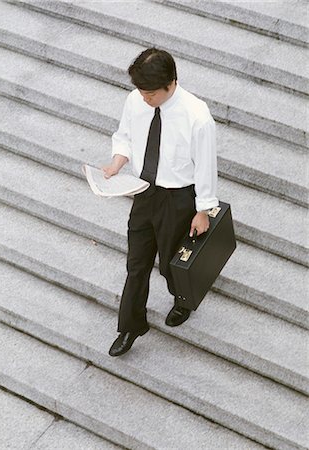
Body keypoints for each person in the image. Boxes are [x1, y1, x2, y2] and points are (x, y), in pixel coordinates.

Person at [103, 48, 219, 357]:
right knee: (136, 264)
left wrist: (203, 210)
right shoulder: (136, 100)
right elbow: (125, 135)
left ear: (171, 83)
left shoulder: (197, 115)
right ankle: (130, 326)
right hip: (145, 192)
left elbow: (206, 165)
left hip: (179, 197)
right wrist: (117, 162)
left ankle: (182, 299)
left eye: (151, 93)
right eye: (141, 92)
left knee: (171, 262)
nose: (144, 99)